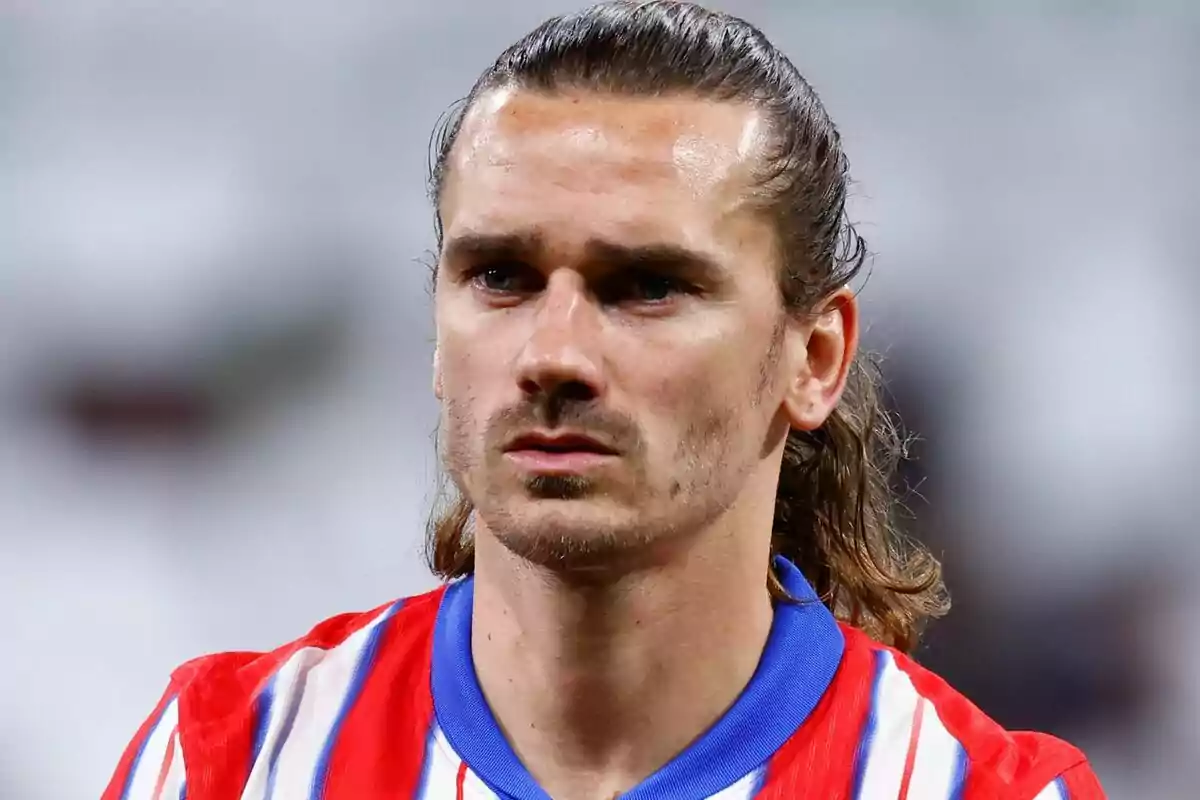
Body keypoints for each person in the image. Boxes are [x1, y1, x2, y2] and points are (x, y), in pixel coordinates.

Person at [103, 2, 1106, 798]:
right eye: (499, 276)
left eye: (647, 285)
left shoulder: (977, 789)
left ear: (815, 355)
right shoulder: (228, 761)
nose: (555, 351)